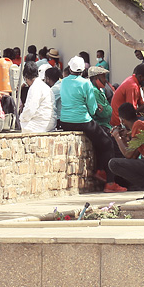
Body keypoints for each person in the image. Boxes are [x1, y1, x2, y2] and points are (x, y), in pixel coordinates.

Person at [58, 57, 124, 191]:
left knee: (100, 142)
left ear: (69, 69)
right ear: (83, 70)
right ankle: (110, 182)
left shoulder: (63, 82)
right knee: (107, 143)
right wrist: (95, 107)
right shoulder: (86, 83)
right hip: (82, 121)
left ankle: (101, 170)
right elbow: (92, 109)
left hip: (65, 121)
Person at [110, 63, 144, 127]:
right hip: (121, 120)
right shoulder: (132, 86)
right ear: (140, 77)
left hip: (126, 117)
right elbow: (132, 113)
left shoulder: (134, 81)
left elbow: (141, 105)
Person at [20, 61, 57, 133]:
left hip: (41, 124)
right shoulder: (44, 86)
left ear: (26, 77)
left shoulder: (35, 87)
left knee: (22, 125)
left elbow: (30, 109)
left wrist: (21, 117)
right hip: (50, 122)